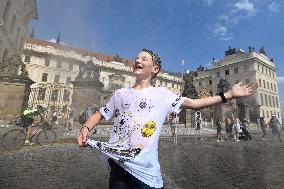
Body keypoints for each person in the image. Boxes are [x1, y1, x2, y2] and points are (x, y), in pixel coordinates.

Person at [77, 49, 258, 189]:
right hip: (118, 167)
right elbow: (100, 114)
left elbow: (195, 104)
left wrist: (230, 94)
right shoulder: (120, 94)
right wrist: (85, 128)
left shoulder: (163, 95)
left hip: (146, 172)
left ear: (155, 69)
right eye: (137, 58)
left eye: (144, 58)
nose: (138, 60)